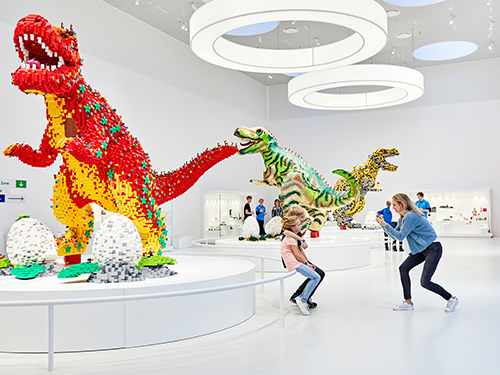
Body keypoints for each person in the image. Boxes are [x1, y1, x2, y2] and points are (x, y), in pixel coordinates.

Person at [375, 193, 459, 312]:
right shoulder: (403, 217)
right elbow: (395, 235)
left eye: (394, 205)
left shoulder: (410, 216)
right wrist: (383, 225)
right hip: (422, 248)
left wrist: (385, 225)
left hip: (433, 248)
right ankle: (408, 302)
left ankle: (452, 299)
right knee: (403, 268)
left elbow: (400, 237)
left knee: (425, 282)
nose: (392, 207)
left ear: (401, 204)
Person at [282, 205, 324, 309]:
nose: (303, 219)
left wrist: (307, 262)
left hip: (298, 258)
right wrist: (306, 263)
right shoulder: (290, 233)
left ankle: (301, 296)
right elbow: (297, 252)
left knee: (317, 274)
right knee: (317, 274)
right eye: (301, 217)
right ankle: (302, 297)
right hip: (293, 259)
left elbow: (300, 250)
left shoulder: (297, 231)